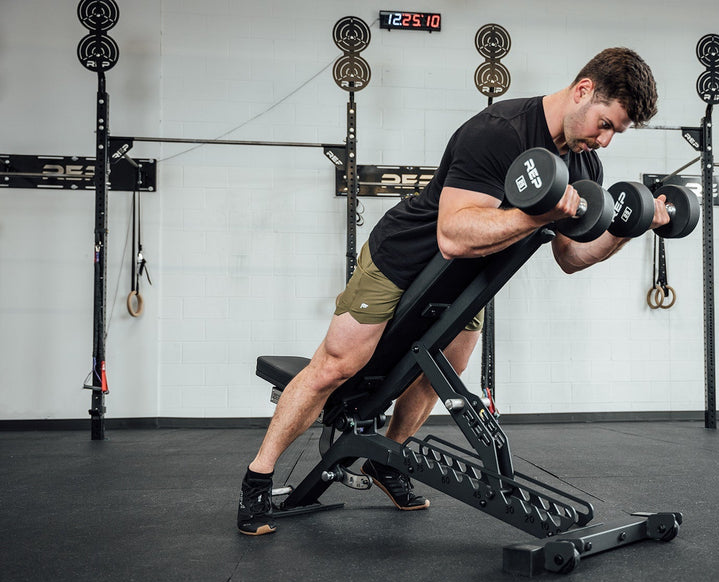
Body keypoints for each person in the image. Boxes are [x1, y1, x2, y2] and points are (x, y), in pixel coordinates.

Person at [238, 47, 670, 536]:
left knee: (444, 369)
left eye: (616, 132)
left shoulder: (585, 165)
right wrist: (538, 215)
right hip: (402, 257)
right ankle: (258, 478)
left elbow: (571, 258)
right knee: (336, 366)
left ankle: (386, 461)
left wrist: (630, 228)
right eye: (606, 124)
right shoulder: (498, 130)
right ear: (584, 91)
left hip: (471, 277)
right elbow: (452, 234)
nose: (605, 141)